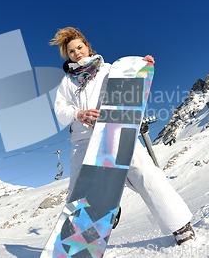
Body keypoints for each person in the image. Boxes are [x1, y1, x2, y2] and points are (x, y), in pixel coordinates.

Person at [49, 27, 195, 245]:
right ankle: (82, 240)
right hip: (83, 140)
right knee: (79, 191)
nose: (76, 53)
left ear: (88, 47)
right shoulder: (67, 83)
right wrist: (78, 113)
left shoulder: (108, 70)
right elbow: (60, 111)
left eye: (79, 47)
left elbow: (129, 81)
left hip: (115, 130)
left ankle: (179, 225)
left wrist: (141, 66)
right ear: (68, 56)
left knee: (145, 174)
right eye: (71, 51)